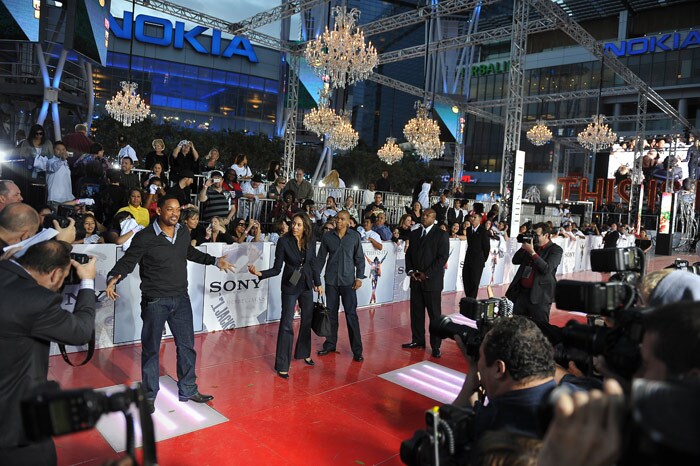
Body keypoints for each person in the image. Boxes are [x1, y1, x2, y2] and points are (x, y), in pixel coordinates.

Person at [105, 195, 235, 414]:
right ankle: (148, 396)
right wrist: (113, 277)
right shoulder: (144, 237)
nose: (174, 214)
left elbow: (189, 252)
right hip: (155, 301)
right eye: (169, 209)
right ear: (159, 211)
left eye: (177, 210)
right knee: (151, 350)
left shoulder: (183, 232)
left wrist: (214, 261)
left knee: (186, 347)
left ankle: (188, 389)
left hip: (181, 300)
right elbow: (128, 260)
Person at [0, 240, 96, 465]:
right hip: (13, 426)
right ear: (55, 275)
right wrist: (88, 281)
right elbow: (81, 331)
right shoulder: (36, 301)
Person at [452, 316, 557, 440]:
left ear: (498, 368)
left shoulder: (495, 421)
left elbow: (444, 426)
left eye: (480, 356)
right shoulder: (572, 394)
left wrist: (473, 370)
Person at [248, 212, 321, 378]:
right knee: (287, 323)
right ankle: (282, 364)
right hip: (291, 284)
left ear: (305, 227)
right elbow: (276, 268)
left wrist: (318, 283)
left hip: (307, 284)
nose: (294, 227)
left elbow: (313, 263)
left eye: (298, 225)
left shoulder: (310, 240)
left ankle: (304, 352)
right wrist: (260, 273)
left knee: (307, 319)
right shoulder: (283, 241)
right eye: (293, 223)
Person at [313, 211, 366, 361]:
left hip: (349, 283)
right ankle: (330, 344)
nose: (339, 222)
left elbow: (360, 259)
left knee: (351, 315)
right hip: (331, 282)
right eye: (337, 219)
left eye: (343, 219)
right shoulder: (327, 237)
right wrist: (316, 279)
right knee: (331, 314)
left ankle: (357, 350)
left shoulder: (354, 237)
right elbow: (320, 259)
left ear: (349, 222)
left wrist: (359, 278)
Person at [403, 208, 449, 358]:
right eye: (423, 215)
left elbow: (442, 258)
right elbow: (408, 254)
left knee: (434, 315)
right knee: (416, 313)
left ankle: (435, 346)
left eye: (427, 215)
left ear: (434, 218)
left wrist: (426, 274)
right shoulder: (415, 233)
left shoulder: (441, 234)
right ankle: (417, 340)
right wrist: (410, 272)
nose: (424, 217)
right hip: (415, 280)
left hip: (432, 282)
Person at [505, 223, 563, 324]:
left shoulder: (555, 250)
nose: (534, 237)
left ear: (546, 235)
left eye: (537, 235)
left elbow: (547, 269)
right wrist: (524, 247)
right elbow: (515, 260)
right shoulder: (532, 246)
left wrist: (532, 253)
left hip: (540, 296)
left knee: (541, 327)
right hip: (522, 294)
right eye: (532, 234)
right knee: (517, 324)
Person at [462, 213, 491, 299]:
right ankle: (468, 298)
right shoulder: (468, 230)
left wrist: (482, 259)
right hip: (468, 259)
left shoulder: (484, 231)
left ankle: (472, 300)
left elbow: (486, 248)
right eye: (472, 217)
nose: (473, 219)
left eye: (475, 217)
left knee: (474, 282)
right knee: (466, 279)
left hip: (478, 261)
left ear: (479, 219)